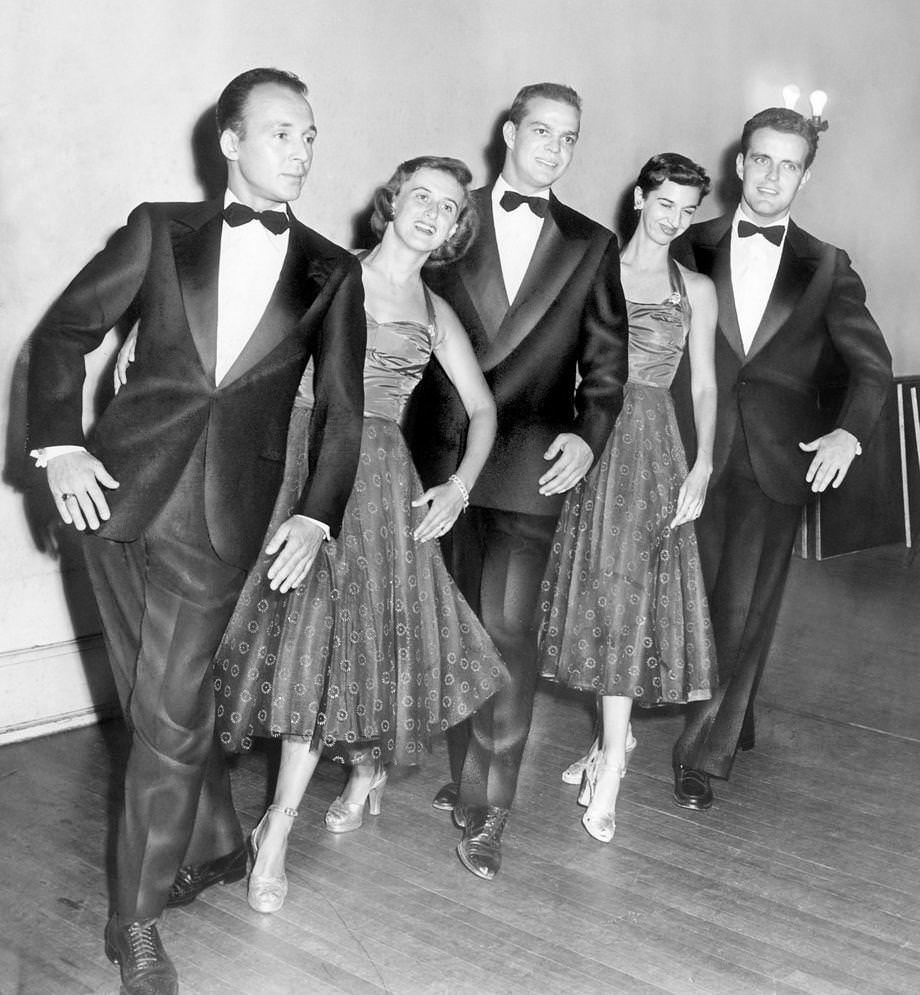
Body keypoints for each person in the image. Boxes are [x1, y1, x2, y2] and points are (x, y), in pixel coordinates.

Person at [27, 68, 367, 995]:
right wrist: (58, 443)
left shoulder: (333, 272)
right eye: (282, 131)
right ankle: (215, 841)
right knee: (162, 713)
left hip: (219, 523)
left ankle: (133, 920)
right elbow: (61, 334)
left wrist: (314, 512)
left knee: (169, 715)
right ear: (230, 141)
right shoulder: (158, 229)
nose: (301, 149)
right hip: (110, 498)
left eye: (309, 134)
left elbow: (345, 411)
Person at [205, 155, 508, 913]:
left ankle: (278, 828)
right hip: (297, 461)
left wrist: (461, 485)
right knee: (302, 641)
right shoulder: (328, 273)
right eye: (422, 196)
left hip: (377, 482)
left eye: (449, 207)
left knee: (344, 643)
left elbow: (484, 411)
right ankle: (350, 778)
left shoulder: (435, 311)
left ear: (456, 228)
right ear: (392, 201)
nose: (433, 212)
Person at [406, 83, 629, 879]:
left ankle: (492, 806)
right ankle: (468, 771)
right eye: (542, 131)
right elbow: (364, 285)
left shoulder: (590, 244)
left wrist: (589, 434)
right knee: (457, 628)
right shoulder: (441, 211)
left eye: (570, 138)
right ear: (509, 130)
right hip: (433, 460)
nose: (555, 148)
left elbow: (607, 368)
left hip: (531, 462)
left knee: (507, 631)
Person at [668, 108, 893, 810]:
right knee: (689, 599)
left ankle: (703, 755)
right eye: (760, 160)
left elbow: (871, 364)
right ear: (739, 164)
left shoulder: (827, 266)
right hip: (687, 450)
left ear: (804, 174)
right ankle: (737, 710)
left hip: (777, 459)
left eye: (787, 164)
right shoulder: (684, 241)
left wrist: (849, 433)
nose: (771, 176)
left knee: (742, 605)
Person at [538, 153, 718, 843]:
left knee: (630, 591)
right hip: (594, 437)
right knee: (596, 594)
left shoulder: (694, 288)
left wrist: (702, 463)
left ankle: (612, 760)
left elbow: (702, 383)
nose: (673, 219)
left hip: (655, 448)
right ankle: (609, 742)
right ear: (640, 196)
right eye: (664, 202)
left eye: (686, 209)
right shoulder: (597, 269)